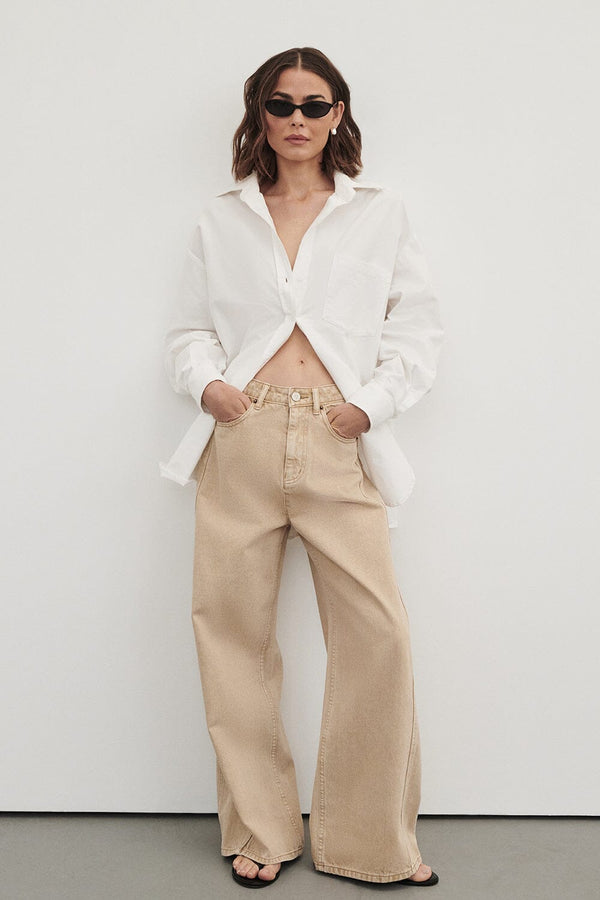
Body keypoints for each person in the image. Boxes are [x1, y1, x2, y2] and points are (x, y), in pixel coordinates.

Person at [161, 47, 444, 889]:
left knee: (378, 636)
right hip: (241, 436)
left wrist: (371, 406)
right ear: (260, 113)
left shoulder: (379, 213)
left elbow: (417, 329)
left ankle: (373, 841)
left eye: (313, 105)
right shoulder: (223, 219)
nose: (296, 119)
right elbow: (188, 330)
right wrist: (209, 387)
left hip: (338, 435)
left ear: (337, 114)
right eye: (280, 104)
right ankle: (260, 829)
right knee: (232, 636)